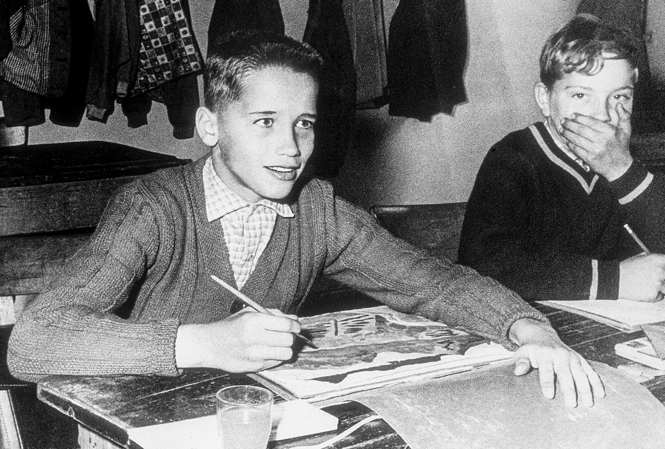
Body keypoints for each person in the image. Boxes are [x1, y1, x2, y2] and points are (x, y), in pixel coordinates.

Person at [9, 30, 602, 407]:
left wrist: (532, 331)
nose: (292, 148)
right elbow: (35, 341)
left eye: (304, 123)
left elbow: (435, 283)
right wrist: (206, 344)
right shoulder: (155, 208)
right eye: (265, 121)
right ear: (212, 127)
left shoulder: (317, 211)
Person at [459, 14, 665, 303]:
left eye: (620, 97)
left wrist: (622, 170)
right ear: (545, 99)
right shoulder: (513, 159)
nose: (604, 115)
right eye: (581, 95)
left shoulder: (626, 162)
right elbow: (483, 267)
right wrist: (614, 280)